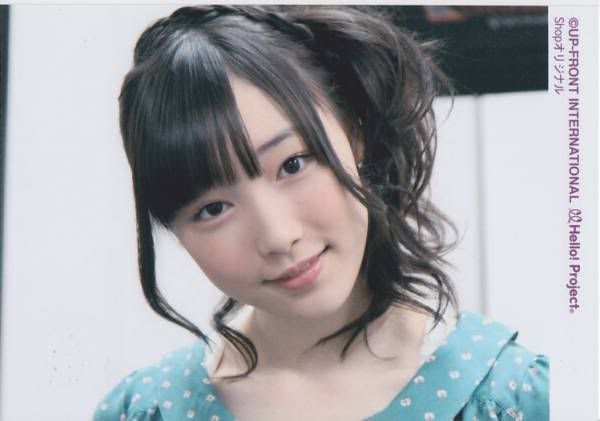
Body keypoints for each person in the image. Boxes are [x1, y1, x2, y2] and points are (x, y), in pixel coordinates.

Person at [94, 5, 549, 421]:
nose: (277, 236)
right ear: (174, 230)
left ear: (354, 135)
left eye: (293, 164)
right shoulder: (145, 411)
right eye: (213, 208)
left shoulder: (511, 399)